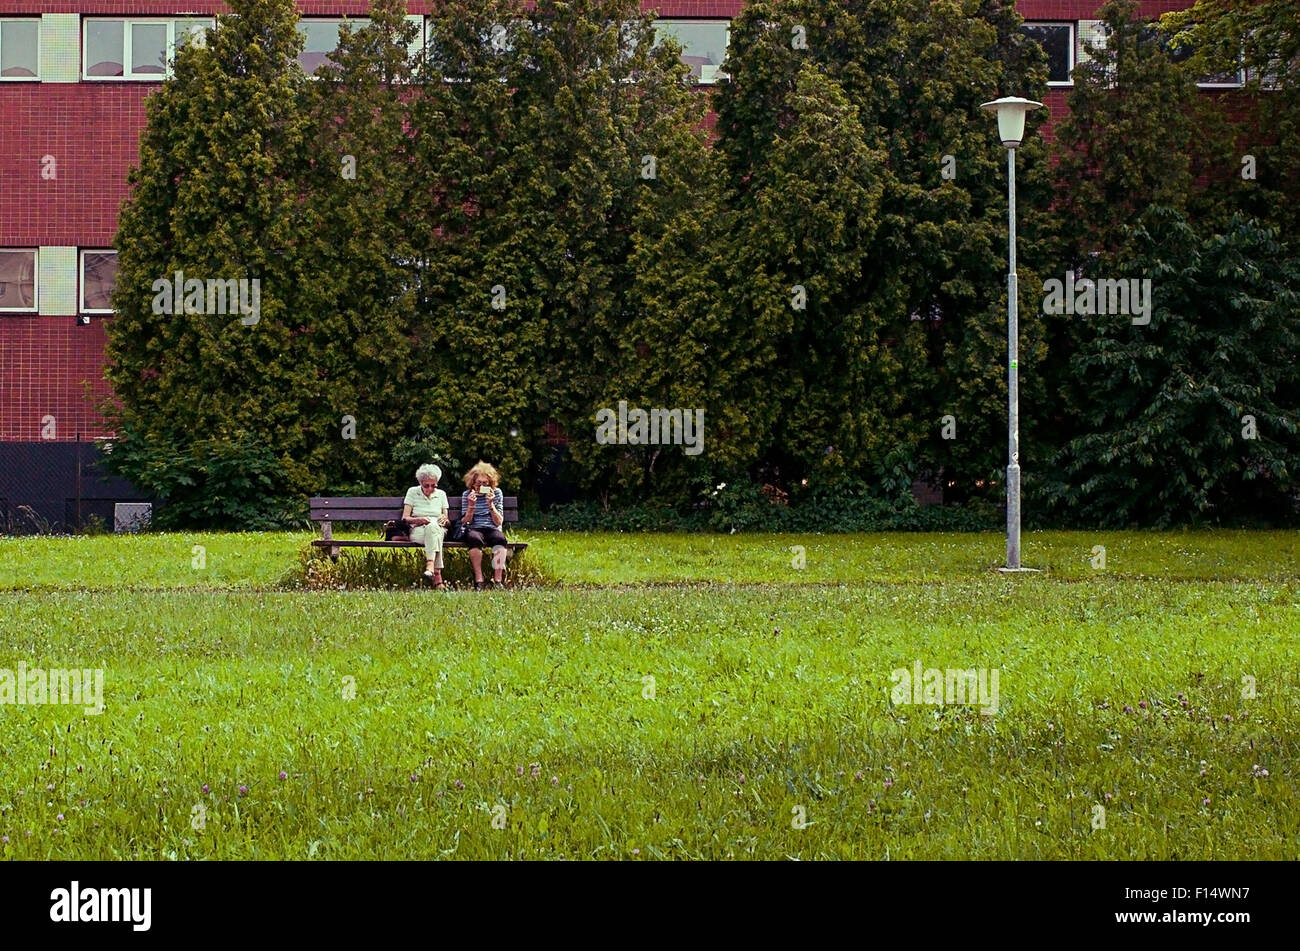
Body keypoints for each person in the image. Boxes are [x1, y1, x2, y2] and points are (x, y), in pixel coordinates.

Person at [459, 460, 510, 590]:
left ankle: (497, 580)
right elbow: (465, 522)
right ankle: (479, 580)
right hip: (474, 528)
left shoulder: (496, 493)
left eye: (485, 483)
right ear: (473, 483)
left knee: (500, 539)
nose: (481, 486)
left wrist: (491, 504)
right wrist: (471, 505)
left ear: (490, 483)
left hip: (492, 527)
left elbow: (499, 522)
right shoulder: (467, 495)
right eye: (478, 483)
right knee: (474, 539)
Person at [403, 464, 450, 590]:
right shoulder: (412, 492)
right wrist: (420, 520)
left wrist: (444, 520)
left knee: (433, 528)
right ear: (420, 482)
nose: (430, 488)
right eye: (426, 485)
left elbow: (447, 521)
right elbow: (405, 518)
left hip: (438, 530)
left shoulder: (441, 494)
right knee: (433, 532)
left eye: (433, 485)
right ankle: (438, 578)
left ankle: (430, 566)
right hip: (418, 530)